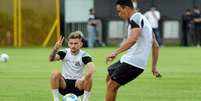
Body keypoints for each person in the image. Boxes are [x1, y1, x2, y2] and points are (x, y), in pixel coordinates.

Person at [105, 0, 161, 101]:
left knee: (111, 86)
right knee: (109, 77)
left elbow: (133, 39)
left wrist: (115, 52)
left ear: (126, 8)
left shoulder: (136, 18)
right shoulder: (144, 20)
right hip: (129, 59)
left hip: (134, 62)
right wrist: (154, 67)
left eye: (119, 11)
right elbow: (156, 45)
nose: (119, 14)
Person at [49, 31, 95, 101]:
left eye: (76, 43)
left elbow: (92, 68)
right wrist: (55, 49)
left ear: (81, 44)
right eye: (71, 43)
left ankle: (85, 100)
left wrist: (83, 78)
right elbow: (51, 59)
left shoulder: (84, 55)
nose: (73, 46)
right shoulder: (64, 52)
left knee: (89, 77)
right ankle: (56, 99)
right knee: (55, 73)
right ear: (68, 44)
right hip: (64, 85)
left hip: (78, 85)